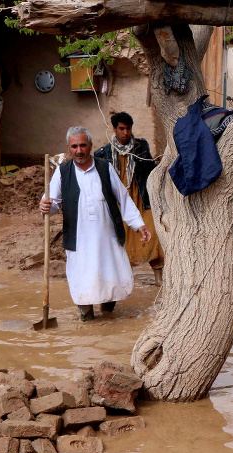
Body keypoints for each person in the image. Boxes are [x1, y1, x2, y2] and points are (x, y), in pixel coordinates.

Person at [38, 126, 151, 322]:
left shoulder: (104, 167)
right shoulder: (62, 172)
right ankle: (87, 317)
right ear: (68, 148)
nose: (79, 150)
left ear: (90, 145)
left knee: (110, 275)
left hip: (106, 236)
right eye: (74, 146)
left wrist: (139, 224)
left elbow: (123, 198)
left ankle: (108, 315)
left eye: (83, 145)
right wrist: (46, 206)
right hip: (78, 238)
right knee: (82, 277)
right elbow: (52, 204)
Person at [94, 112, 164, 286]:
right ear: (114, 129)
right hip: (118, 203)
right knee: (121, 240)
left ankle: (158, 279)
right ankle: (125, 281)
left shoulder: (141, 147)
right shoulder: (103, 153)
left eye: (128, 128)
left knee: (152, 234)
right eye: (121, 128)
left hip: (140, 199)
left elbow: (150, 172)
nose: (125, 132)